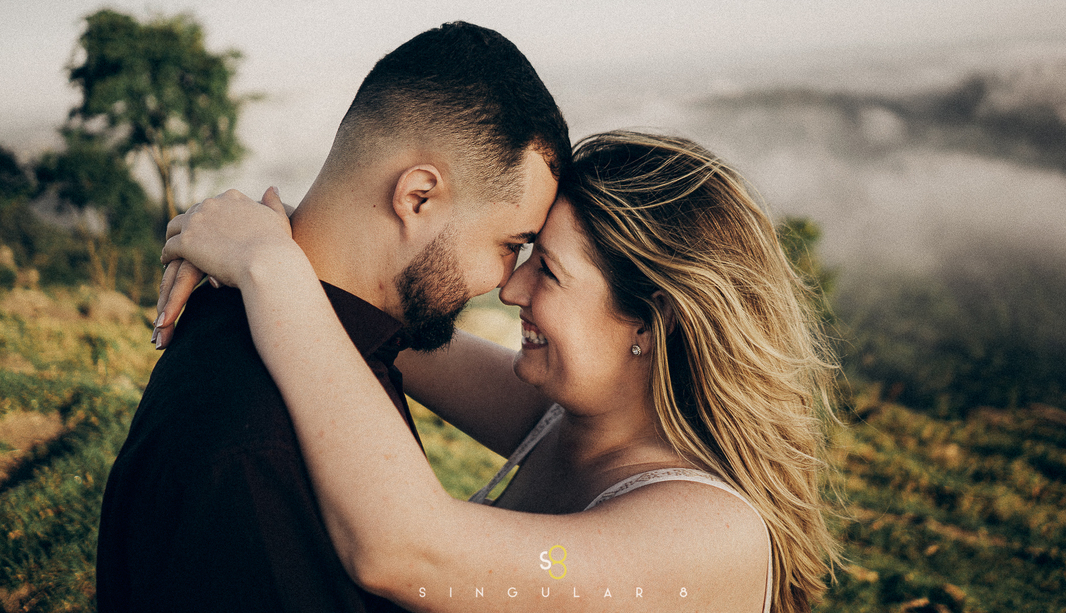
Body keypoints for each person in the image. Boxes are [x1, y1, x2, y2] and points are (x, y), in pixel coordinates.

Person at [156, 130, 841, 612]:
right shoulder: (568, 418)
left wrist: (268, 267)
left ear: (651, 323)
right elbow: (372, 321)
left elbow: (408, 551)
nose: (512, 291)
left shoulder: (707, 536)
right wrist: (259, 233)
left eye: (548, 270)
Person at [96, 21, 571, 613]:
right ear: (417, 197)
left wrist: (268, 251)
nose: (507, 283)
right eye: (510, 243)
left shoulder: (286, 331)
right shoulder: (259, 448)